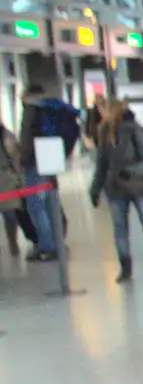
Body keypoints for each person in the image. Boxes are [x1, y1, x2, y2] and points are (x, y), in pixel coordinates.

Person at [89, 101, 143, 284]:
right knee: (125, 228)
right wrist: (95, 188)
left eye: (104, 110)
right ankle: (128, 267)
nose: (101, 114)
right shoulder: (105, 133)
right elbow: (102, 164)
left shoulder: (136, 131)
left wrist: (132, 171)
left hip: (137, 185)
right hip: (117, 187)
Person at [17, 81, 80, 263]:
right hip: (50, 159)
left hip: (35, 163)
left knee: (36, 206)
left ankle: (47, 246)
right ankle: (57, 242)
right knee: (50, 203)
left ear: (27, 95)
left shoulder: (31, 110)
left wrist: (23, 159)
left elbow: (27, 137)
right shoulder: (52, 109)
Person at [0, 119, 32, 256]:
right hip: (7, 178)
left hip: (6, 179)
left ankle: (13, 243)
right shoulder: (8, 135)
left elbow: (16, 157)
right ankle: (12, 243)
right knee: (9, 213)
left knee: (10, 213)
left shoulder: (6, 136)